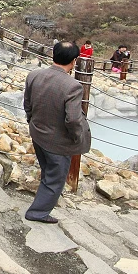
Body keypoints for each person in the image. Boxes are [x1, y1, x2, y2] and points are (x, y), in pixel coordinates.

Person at [23, 42, 91, 224]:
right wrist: (77, 137)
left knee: (48, 171)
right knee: (56, 177)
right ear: (74, 60)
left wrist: (31, 121)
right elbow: (73, 119)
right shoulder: (73, 86)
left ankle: (42, 202)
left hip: (38, 133)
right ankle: (37, 212)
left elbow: (27, 104)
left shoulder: (34, 75)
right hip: (58, 141)